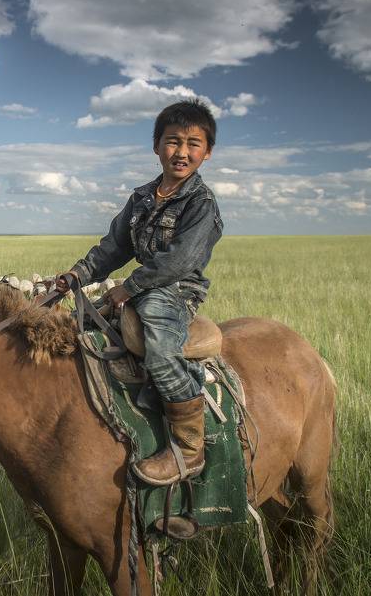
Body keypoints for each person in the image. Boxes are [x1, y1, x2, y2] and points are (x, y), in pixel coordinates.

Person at [56, 98, 223, 486]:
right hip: (142, 287)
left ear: (207, 152)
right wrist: (75, 276)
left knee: (162, 352)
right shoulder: (142, 198)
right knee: (74, 327)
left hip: (175, 291)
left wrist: (128, 288)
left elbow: (179, 261)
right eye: (172, 141)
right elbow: (113, 248)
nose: (181, 152)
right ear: (156, 146)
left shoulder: (202, 204)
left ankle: (188, 447)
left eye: (193, 143)